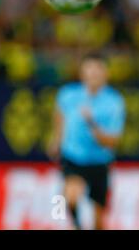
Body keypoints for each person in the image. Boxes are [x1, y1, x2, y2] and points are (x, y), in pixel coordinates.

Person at [48, 53, 126, 230]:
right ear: (82, 72)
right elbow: (60, 115)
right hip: (73, 157)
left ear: (106, 74)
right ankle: (76, 226)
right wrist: (57, 139)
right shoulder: (68, 94)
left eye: (98, 70)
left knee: (99, 220)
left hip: (99, 162)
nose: (93, 74)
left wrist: (92, 124)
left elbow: (111, 141)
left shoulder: (114, 102)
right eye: (89, 69)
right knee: (71, 194)